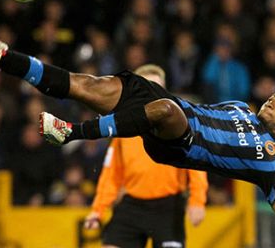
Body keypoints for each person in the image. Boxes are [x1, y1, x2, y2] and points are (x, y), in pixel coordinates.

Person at [0, 24, 275, 248]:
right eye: (274, 97)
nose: (272, 101)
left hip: (181, 142)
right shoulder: (241, 108)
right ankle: (2, 58)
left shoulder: (273, 166)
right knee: (88, 86)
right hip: (167, 107)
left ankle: (71, 134)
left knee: (169, 110)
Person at [84, 64, 208, 248]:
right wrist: (98, 210)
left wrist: (197, 200)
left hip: (168, 207)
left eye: (158, 88)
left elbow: (196, 164)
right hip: (132, 206)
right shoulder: (123, 130)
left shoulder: (177, 126)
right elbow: (111, 174)